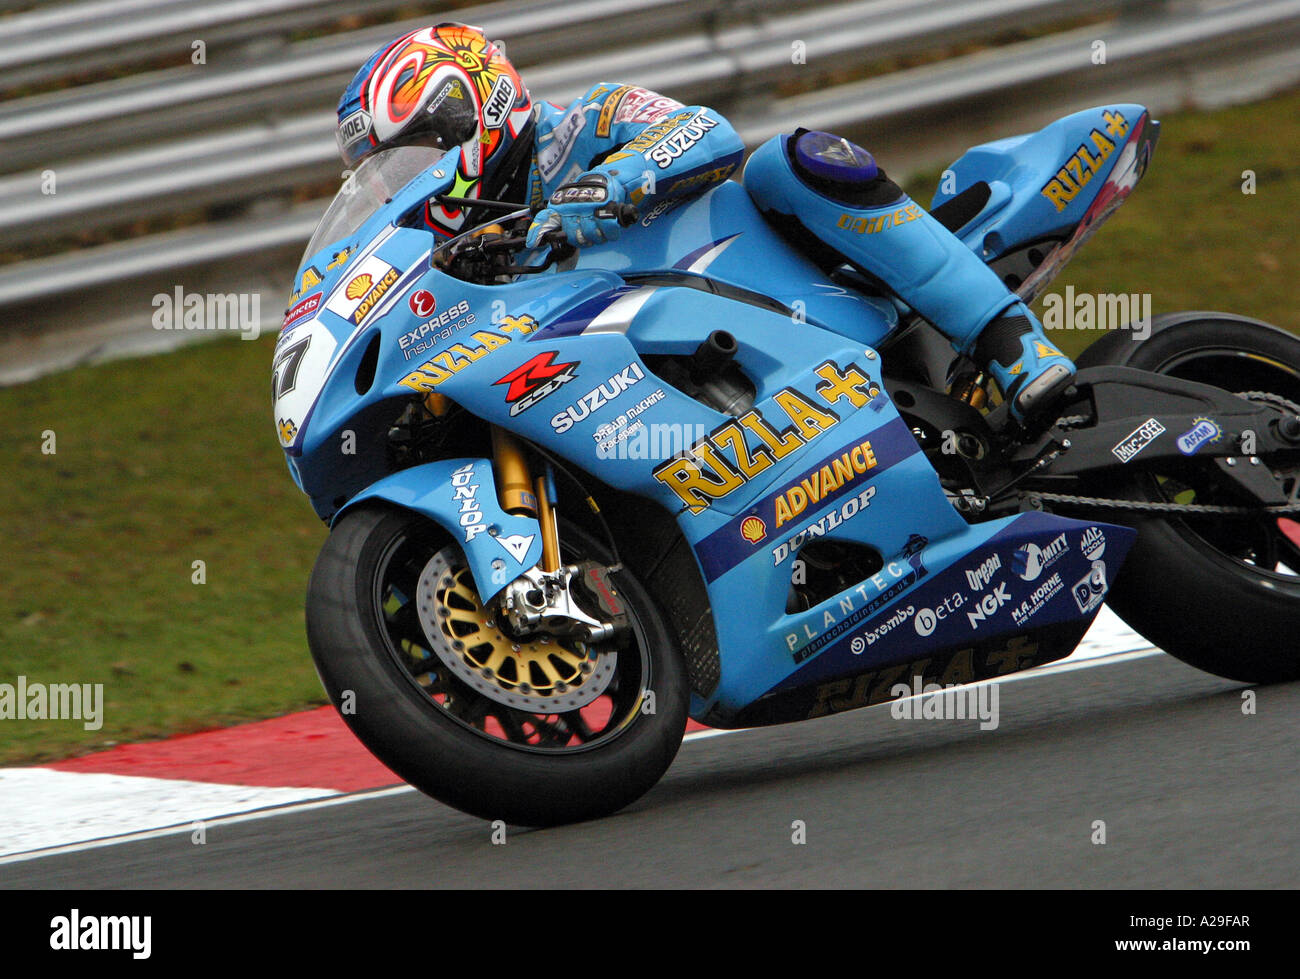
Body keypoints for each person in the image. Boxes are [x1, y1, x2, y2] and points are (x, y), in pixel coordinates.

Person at [335, 22, 1075, 425]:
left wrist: (603, 189)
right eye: (389, 177)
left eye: (413, 159)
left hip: (794, 287)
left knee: (787, 161)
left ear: (476, 109)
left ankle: (1011, 345)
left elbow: (707, 131)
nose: (411, 183)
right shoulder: (467, 252)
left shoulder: (586, 123)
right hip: (680, 382)